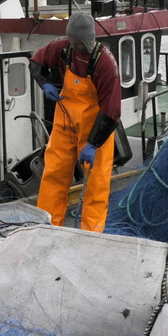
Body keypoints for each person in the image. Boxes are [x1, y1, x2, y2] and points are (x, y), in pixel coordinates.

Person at [29, 13, 121, 233]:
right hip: (65, 121)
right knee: (53, 175)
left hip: (96, 126)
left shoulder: (105, 63)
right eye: (72, 41)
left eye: (78, 43)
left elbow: (112, 112)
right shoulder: (62, 47)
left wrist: (93, 144)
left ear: (88, 40)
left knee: (96, 185)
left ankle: (91, 235)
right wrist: (44, 84)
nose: (75, 45)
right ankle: (47, 228)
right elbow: (35, 62)